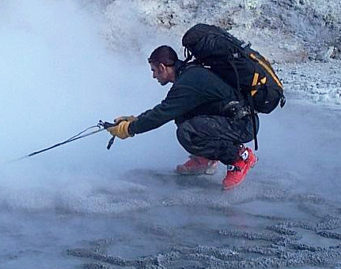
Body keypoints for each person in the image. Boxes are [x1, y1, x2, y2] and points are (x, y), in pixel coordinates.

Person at [107, 45, 258, 190]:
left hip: (242, 124)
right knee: (182, 115)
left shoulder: (188, 82)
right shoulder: (188, 75)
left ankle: (239, 157)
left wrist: (130, 129)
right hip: (235, 120)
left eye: (154, 71)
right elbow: (167, 108)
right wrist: (135, 120)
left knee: (187, 132)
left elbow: (162, 113)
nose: (153, 76)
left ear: (162, 67)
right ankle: (206, 158)